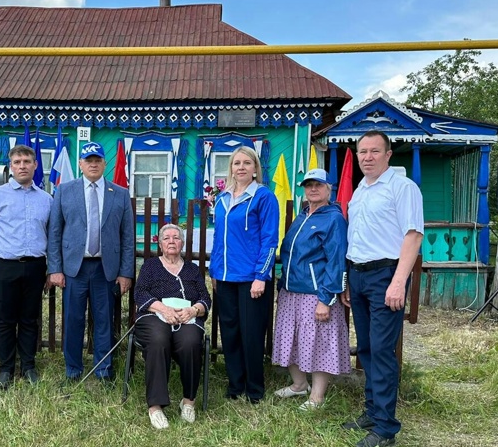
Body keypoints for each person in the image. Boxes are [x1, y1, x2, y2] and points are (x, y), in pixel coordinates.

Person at [340, 130, 423, 447]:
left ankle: (386, 428)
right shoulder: (361, 190)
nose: (367, 157)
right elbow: (357, 241)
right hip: (359, 277)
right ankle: (372, 413)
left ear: (389, 154)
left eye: (375, 151)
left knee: (383, 352)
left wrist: (398, 281)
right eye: (362, 152)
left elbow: (413, 236)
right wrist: (349, 281)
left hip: (386, 276)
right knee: (367, 350)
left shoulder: (402, 188)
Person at [48, 141, 135, 383]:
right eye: (88, 160)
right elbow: (54, 232)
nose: (93, 164)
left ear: (104, 164)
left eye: (97, 160)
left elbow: (127, 237)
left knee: (104, 320)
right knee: (73, 320)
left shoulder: (119, 194)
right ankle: (73, 370)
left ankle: (103, 370)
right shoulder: (65, 191)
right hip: (74, 269)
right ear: (80, 164)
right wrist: (55, 268)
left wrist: (126, 272)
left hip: (105, 269)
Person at [272, 168, 351, 410]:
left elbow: (336, 261)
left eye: (318, 184)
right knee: (291, 339)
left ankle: (317, 397)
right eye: (308, 185)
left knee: (318, 343)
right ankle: (299, 385)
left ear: (329, 189)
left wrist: (325, 299)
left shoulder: (334, 219)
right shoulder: (303, 215)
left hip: (315, 293)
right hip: (291, 290)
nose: (313, 189)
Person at [0, 144, 53, 389]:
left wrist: (50, 269)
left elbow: (52, 238)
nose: (22, 166)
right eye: (17, 162)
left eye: (27, 162)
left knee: (30, 319)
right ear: (11, 167)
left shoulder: (46, 199)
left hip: (34, 267)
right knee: (5, 320)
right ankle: (5, 369)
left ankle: (28, 366)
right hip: (4, 266)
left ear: (35, 166)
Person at [209, 146, 279, 403]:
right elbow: (218, 239)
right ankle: (234, 385)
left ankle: (254, 390)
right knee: (230, 332)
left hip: (252, 280)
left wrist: (261, 275)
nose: (241, 167)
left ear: (255, 168)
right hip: (225, 278)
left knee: (251, 335)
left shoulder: (263, 197)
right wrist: (214, 272)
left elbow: (270, 240)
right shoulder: (223, 198)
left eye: (246, 163)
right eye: (236, 163)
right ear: (231, 168)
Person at [133, 224, 211, 429]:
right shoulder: (150, 266)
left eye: (176, 238)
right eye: (166, 238)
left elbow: (205, 298)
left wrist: (193, 310)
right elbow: (139, 293)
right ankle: (156, 406)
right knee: (159, 339)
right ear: (160, 244)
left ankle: (188, 401)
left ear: (182, 243)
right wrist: (163, 309)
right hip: (154, 316)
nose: (171, 241)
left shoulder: (192, 269)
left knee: (191, 341)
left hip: (186, 318)